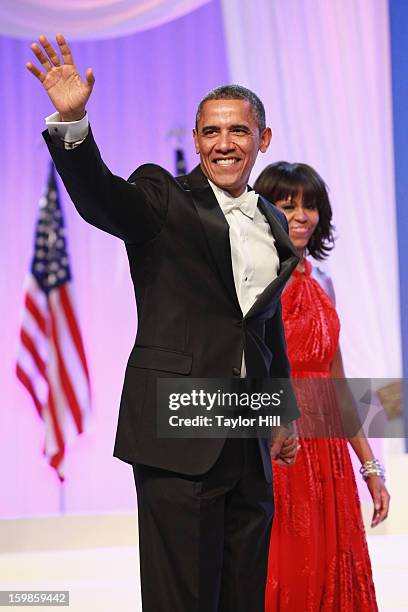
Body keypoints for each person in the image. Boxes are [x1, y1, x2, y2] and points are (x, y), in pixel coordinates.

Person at [26, 35, 301, 611]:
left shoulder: (273, 219)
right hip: (180, 436)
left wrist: (282, 416)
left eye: (238, 131)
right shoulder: (163, 196)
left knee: (241, 596)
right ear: (197, 140)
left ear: (263, 140)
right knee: (182, 600)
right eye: (212, 132)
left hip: (246, 440)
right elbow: (102, 199)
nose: (224, 144)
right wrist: (74, 125)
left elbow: (263, 328)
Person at [254, 162, 391, 611]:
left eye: (310, 205)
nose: (300, 215)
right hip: (278, 452)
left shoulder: (323, 284)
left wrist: (370, 470)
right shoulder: (250, 280)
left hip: (328, 460)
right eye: (287, 203)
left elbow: (338, 389)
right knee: (286, 577)